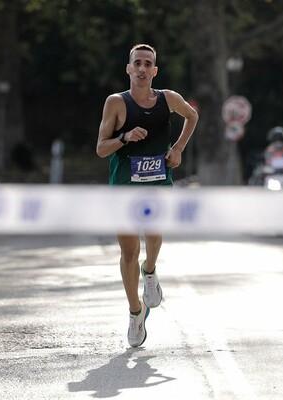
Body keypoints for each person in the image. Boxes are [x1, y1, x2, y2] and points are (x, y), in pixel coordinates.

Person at [96, 44, 198, 347]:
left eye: (147, 64)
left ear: (155, 71)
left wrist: (178, 148)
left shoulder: (169, 99)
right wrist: (124, 137)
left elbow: (192, 116)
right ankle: (135, 312)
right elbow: (101, 148)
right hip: (124, 187)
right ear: (128, 69)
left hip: (157, 183)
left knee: (154, 235)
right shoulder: (116, 103)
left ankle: (150, 272)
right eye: (137, 63)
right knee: (128, 252)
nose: (142, 69)